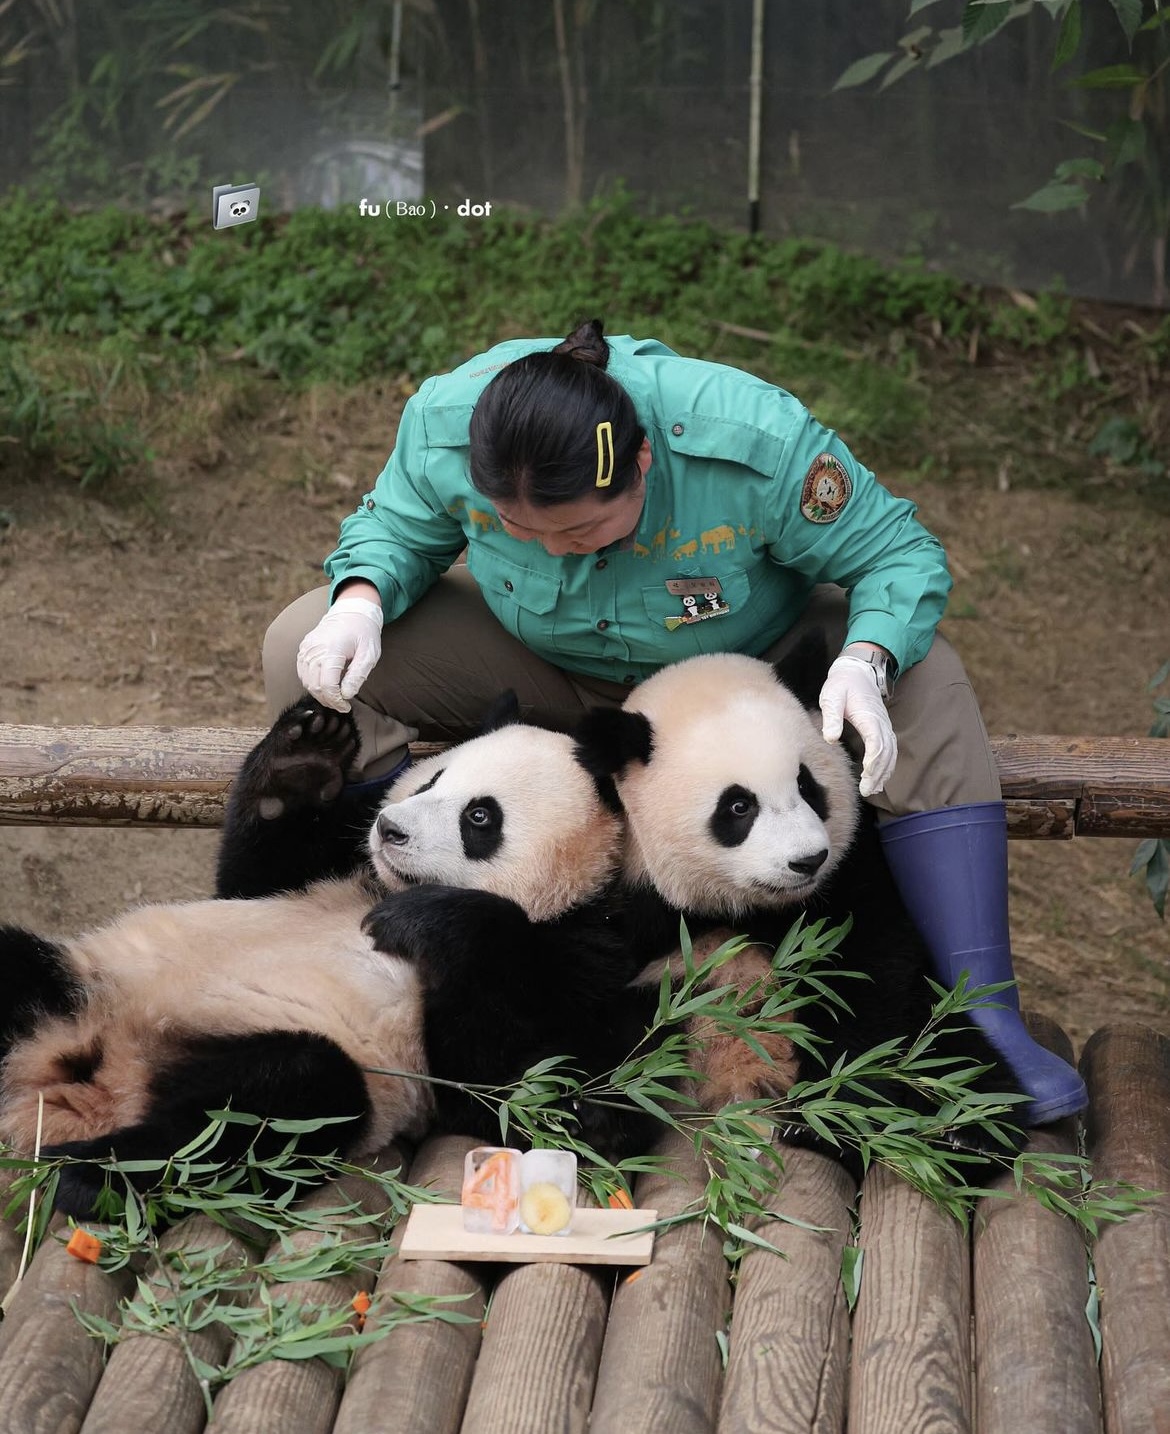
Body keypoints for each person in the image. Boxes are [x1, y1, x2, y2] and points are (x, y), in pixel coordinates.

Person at [264, 319, 1087, 1126]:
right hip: (545, 662)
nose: (557, 552)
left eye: (582, 526)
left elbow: (896, 554)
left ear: (645, 463)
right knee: (300, 643)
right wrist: (363, 596)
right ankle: (378, 930)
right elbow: (397, 525)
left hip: (729, 678)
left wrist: (866, 661)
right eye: (521, 530)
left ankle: (985, 1009)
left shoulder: (752, 442)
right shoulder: (451, 422)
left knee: (925, 675)